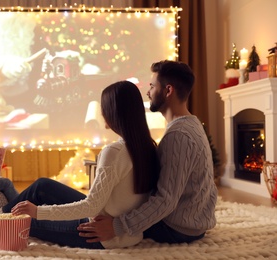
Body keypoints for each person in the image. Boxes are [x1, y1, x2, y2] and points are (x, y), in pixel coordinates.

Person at [0, 80, 161, 249]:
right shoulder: (147, 145)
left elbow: (90, 207)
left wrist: (37, 211)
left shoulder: (114, 151)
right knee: (41, 187)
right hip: (124, 229)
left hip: (100, 234)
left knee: (27, 221)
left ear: (111, 113)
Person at [77, 60, 218, 244]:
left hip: (176, 229)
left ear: (168, 91)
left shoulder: (179, 135)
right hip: (192, 224)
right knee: (84, 203)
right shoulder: (192, 124)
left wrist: (116, 227)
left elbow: (165, 201)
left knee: (88, 219)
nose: (148, 92)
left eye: (152, 86)